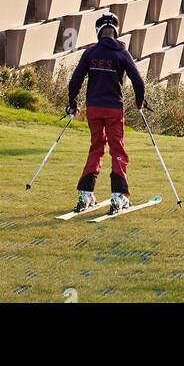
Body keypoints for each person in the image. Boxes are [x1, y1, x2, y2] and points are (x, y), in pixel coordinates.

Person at [67, 11, 146, 215]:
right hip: (114, 109)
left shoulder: (90, 53)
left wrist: (72, 103)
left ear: (98, 31)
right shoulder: (122, 52)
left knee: (96, 148)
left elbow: (75, 81)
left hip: (93, 108)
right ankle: (119, 197)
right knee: (117, 151)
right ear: (116, 31)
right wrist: (139, 102)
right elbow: (138, 81)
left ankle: (85, 194)